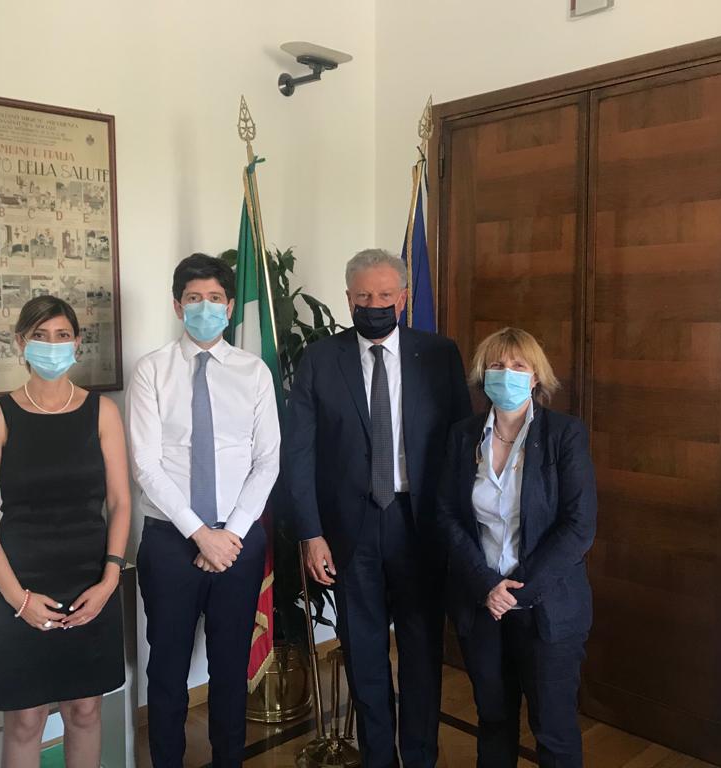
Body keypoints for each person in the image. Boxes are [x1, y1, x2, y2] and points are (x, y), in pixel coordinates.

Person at [285, 248, 472, 767]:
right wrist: (311, 533)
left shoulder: (439, 354)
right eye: (364, 296)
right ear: (348, 298)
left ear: (404, 298)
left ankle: (420, 757)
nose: (374, 305)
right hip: (350, 531)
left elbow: (461, 445)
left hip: (421, 525)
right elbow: (298, 453)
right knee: (364, 655)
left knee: (421, 653)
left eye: (385, 295)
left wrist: (460, 530)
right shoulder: (320, 359)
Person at [127, 253, 280, 768]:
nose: (205, 307)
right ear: (177, 306)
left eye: (215, 298)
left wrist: (228, 534)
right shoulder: (152, 370)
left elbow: (268, 460)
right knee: (167, 671)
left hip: (238, 539)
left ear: (230, 307)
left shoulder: (253, 372)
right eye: (194, 298)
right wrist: (200, 535)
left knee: (230, 668)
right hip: (171, 540)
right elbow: (146, 464)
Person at [0, 295, 130, 768]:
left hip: (91, 582)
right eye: (40, 335)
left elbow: (120, 502)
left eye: (62, 335)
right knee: (25, 720)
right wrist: (18, 599)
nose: (52, 345)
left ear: (77, 343)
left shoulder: (102, 412)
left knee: (85, 711)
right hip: (19, 583)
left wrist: (110, 580)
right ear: (21, 343)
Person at [437, 327, 597, 768]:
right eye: (496, 365)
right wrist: (488, 586)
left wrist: (517, 591)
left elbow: (579, 526)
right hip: (482, 604)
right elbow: (447, 515)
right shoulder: (463, 436)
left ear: (535, 376)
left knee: (554, 729)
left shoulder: (565, 435)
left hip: (548, 607)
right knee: (493, 721)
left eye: (518, 365)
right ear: (482, 374)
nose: (506, 373)